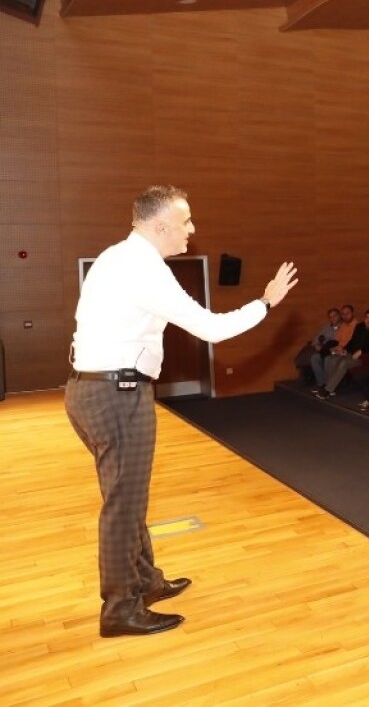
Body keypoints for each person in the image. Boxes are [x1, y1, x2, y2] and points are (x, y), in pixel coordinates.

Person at [67, 185, 298, 637]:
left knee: (127, 498)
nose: (192, 229)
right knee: (123, 504)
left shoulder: (115, 256)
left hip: (93, 391)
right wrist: (265, 302)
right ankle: (119, 609)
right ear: (160, 226)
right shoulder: (145, 269)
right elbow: (211, 329)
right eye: (186, 221)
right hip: (117, 395)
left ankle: (144, 582)